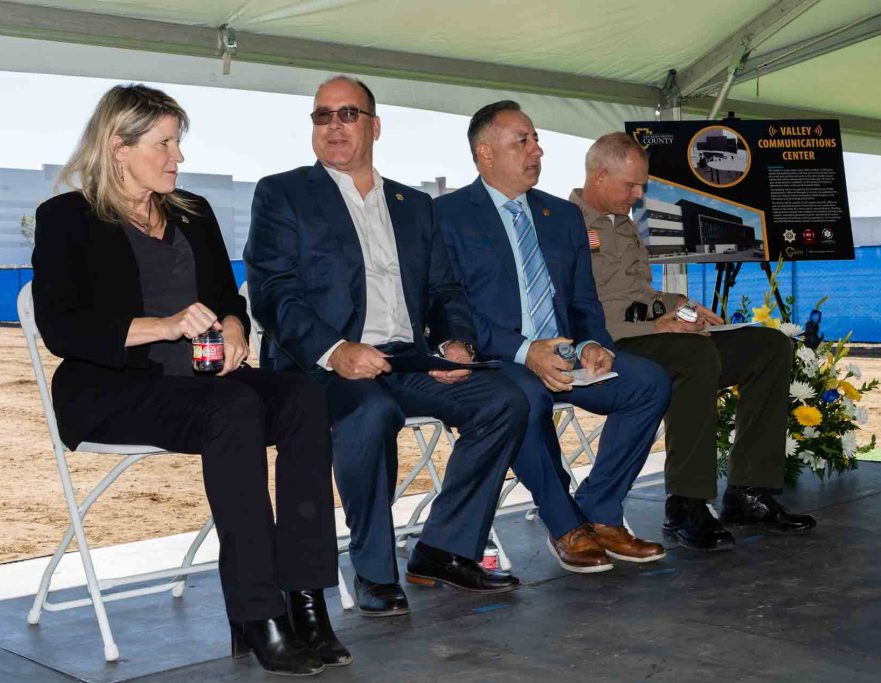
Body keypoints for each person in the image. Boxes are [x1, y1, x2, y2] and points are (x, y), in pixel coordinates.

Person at [31, 84, 348, 677]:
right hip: (113, 389)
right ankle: (258, 611)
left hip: (204, 384)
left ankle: (306, 599)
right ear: (119, 146)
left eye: (179, 143)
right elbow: (63, 329)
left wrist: (233, 327)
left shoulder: (192, 212)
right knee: (234, 410)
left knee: (303, 394)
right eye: (165, 143)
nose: (178, 157)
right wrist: (163, 325)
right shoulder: (67, 218)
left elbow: (230, 300)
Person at [246, 76, 528, 617]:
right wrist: (335, 349)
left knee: (503, 402)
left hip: (406, 357)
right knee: (370, 414)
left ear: (375, 127)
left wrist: (454, 341)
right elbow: (272, 294)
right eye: (322, 116)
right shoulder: (284, 193)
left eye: (347, 114)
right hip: (321, 368)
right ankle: (374, 568)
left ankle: (445, 547)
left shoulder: (414, 204)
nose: (333, 126)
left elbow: (444, 290)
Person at [435, 101, 671, 574]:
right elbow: (448, 305)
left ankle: (601, 512)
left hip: (567, 353)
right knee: (521, 396)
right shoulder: (445, 215)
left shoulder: (561, 216)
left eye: (536, 139)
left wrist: (592, 345)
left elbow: (584, 301)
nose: (537, 150)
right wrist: (526, 351)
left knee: (649, 382)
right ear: (484, 153)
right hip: (499, 358)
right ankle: (564, 522)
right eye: (522, 141)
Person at [569, 132, 816, 551]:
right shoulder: (563, 224)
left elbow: (639, 296)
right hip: (608, 347)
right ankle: (686, 502)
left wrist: (681, 305)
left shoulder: (623, 223)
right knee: (694, 354)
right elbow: (577, 307)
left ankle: (749, 491)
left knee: (769, 346)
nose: (639, 193)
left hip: (654, 335)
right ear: (599, 175)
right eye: (631, 185)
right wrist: (656, 327)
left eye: (642, 185)